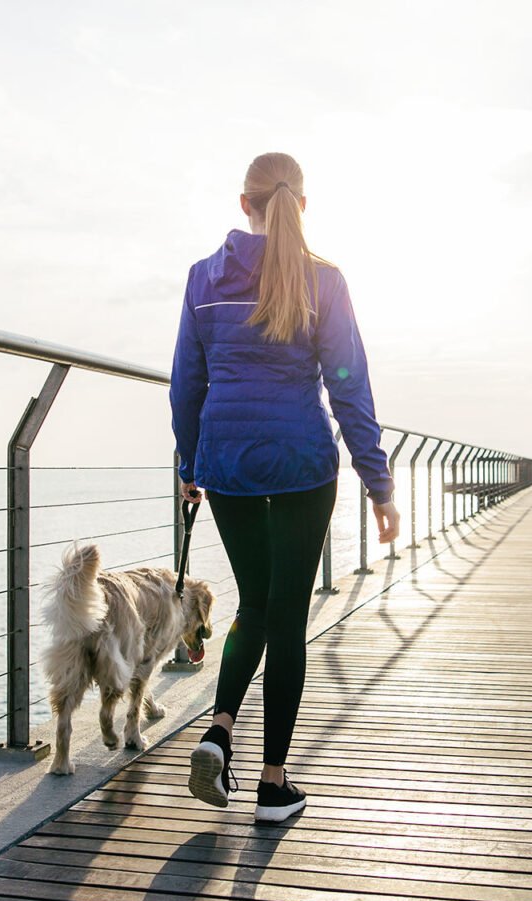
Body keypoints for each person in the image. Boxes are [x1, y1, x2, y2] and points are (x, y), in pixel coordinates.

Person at [170, 151, 399, 823]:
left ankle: (219, 727)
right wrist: (379, 485)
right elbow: (349, 385)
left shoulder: (202, 278)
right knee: (288, 619)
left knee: (254, 606)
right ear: (302, 205)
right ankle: (273, 784)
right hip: (301, 464)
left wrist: (190, 465)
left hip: (230, 464)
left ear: (244, 204)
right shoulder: (324, 281)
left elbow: (188, 382)